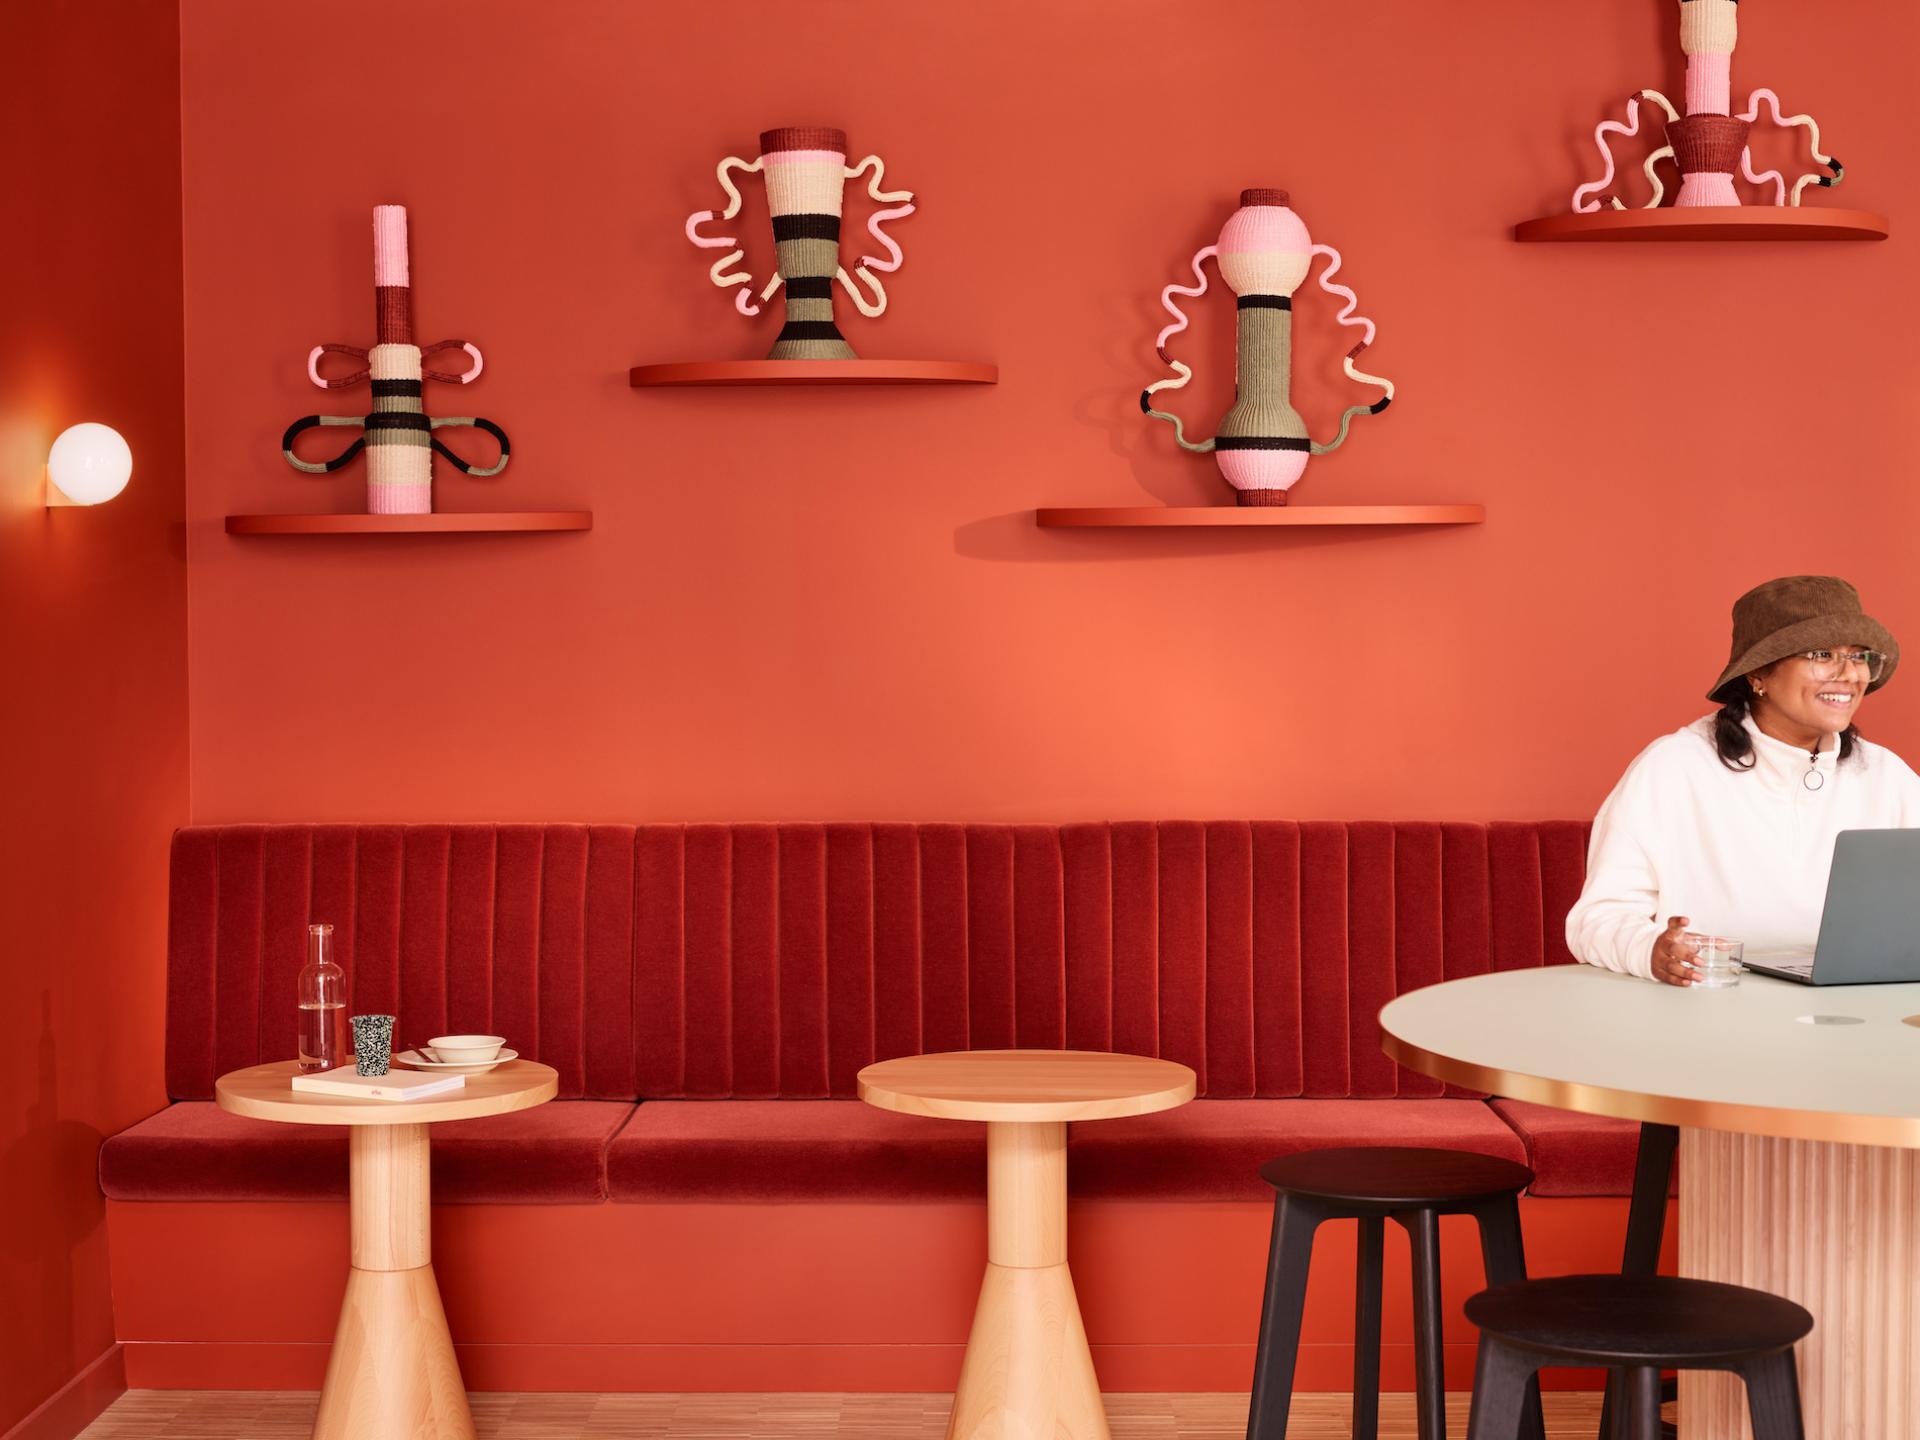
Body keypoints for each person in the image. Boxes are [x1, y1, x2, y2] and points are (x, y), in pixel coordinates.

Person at [1567, 575, 1920, 985]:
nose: (1849, 674)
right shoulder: (1673, 768)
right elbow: (1596, 919)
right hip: (1710, 1010)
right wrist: (1650, 950)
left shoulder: (1886, 776)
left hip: (1852, 1014)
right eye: (1822, 654)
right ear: (1759, 676)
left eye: (1859, 657)